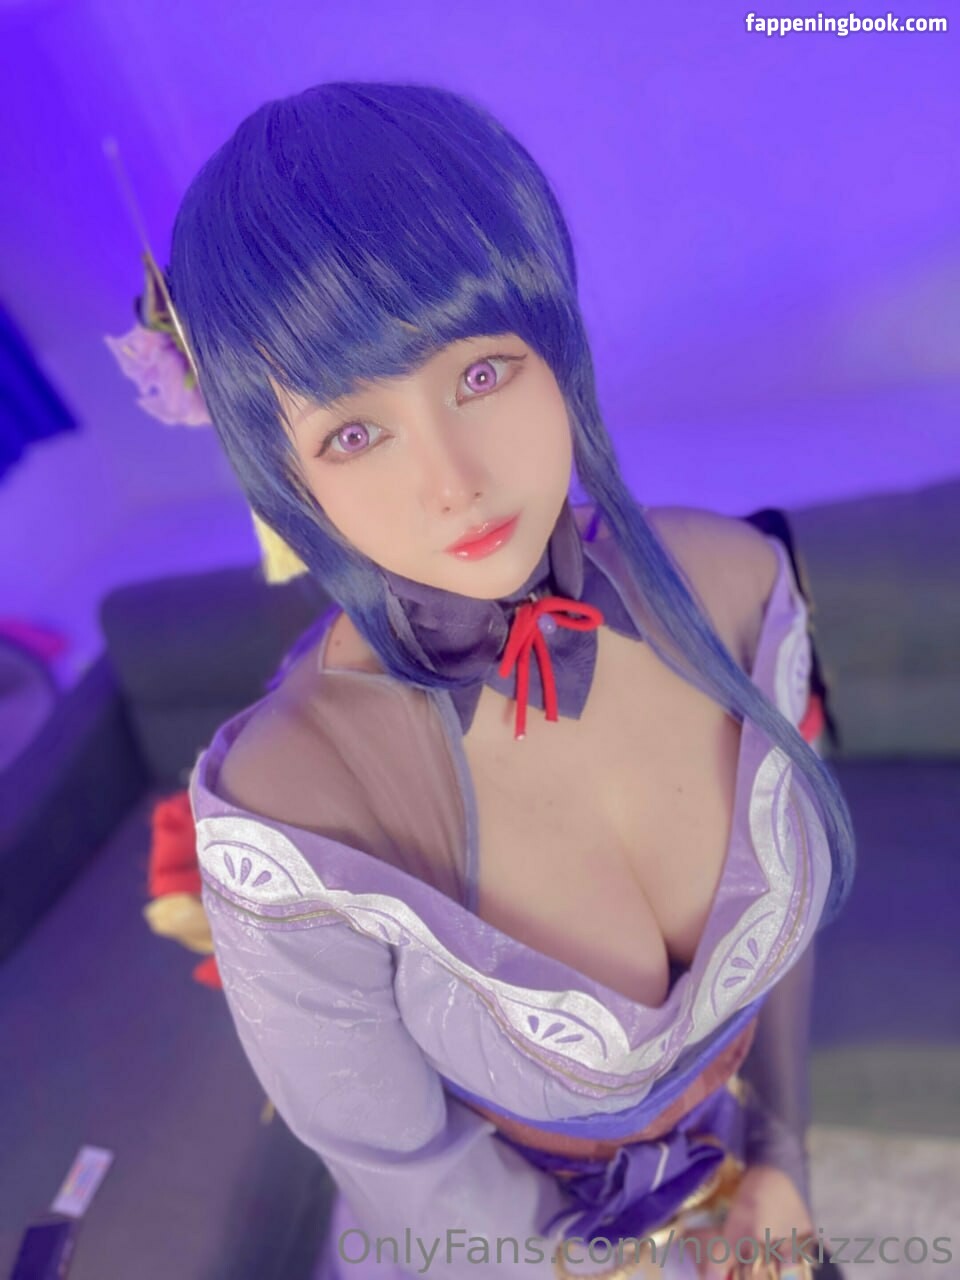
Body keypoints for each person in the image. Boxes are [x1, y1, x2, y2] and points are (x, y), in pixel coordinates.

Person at [168, 81, 855, 1279]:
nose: (454, 480)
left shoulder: (745, 585)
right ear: (286, 477)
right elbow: (403, 1169)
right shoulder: (293, 802)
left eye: (482, 373)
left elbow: (784, 935)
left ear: (556, 342)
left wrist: (782, 1155)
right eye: (354, 433)